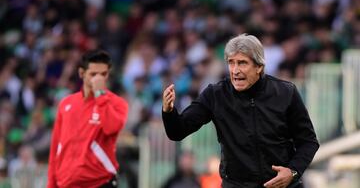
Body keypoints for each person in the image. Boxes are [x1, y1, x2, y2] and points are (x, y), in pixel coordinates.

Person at [162, 34, 319, 188]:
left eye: (242, 63)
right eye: (231, 63)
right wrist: (168, 111)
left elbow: (308, 142)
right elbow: (177, 131)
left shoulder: (286, 92)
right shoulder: (215, 95)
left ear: (259, 67)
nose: (235, 70)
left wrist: (292, 172)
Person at [47, 50, 128, 188]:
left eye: (103, 74)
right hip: (66, 184)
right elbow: (56, 147)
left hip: (100, 183)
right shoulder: (66, 104)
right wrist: (51, 185)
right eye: (93, 74)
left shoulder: (117, 103)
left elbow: (111, 128)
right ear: (81, 73)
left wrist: (100, 95)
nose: (98, 79)